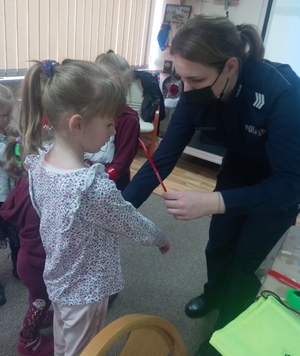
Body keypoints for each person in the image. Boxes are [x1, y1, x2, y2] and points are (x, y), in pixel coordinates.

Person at [122, 14, 300, 355]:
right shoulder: (196, 92)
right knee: (218, 244)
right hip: (238, 170)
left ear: (230, 66)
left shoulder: (282, 91)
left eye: (196, 79)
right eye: (181, 77)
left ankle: (225, 327)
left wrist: (214, 202)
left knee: (243, 262)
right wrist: (119, 209)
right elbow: (162, 158)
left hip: (280, 187)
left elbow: (290, 186)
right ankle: (212, 294)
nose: (185, 90)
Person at [22, 59, 169, 356]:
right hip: (86, 287)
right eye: (108, 123)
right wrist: (160, 237)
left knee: (65, 337)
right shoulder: (91, 188)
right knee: (86, 348)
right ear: (76, 123)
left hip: (59, 274)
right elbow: (131, 222)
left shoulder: (40, 164)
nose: (113, 131)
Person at [0, 61, 57, 355]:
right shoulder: (44, 162)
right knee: (37, 301)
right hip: (37, 263)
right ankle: (28, 341)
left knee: (38, 297)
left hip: (30, 257)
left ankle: (39, 313)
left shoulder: (28, 154)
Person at [87, 50, 140, 192]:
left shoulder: (129, 120)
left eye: (119, 89)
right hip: (85, 179)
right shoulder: (89, 111)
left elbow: (121, 165)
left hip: (111, 186)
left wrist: (98, 181)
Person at [0, 84, 20, 282]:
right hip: (1, 197)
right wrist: (13, 144)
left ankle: (18, 265)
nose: (10, 119)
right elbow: (11, 161)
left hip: (9, 196)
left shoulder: (4, 135)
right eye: (6, 115)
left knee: (16, 236)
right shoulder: (5, 141)